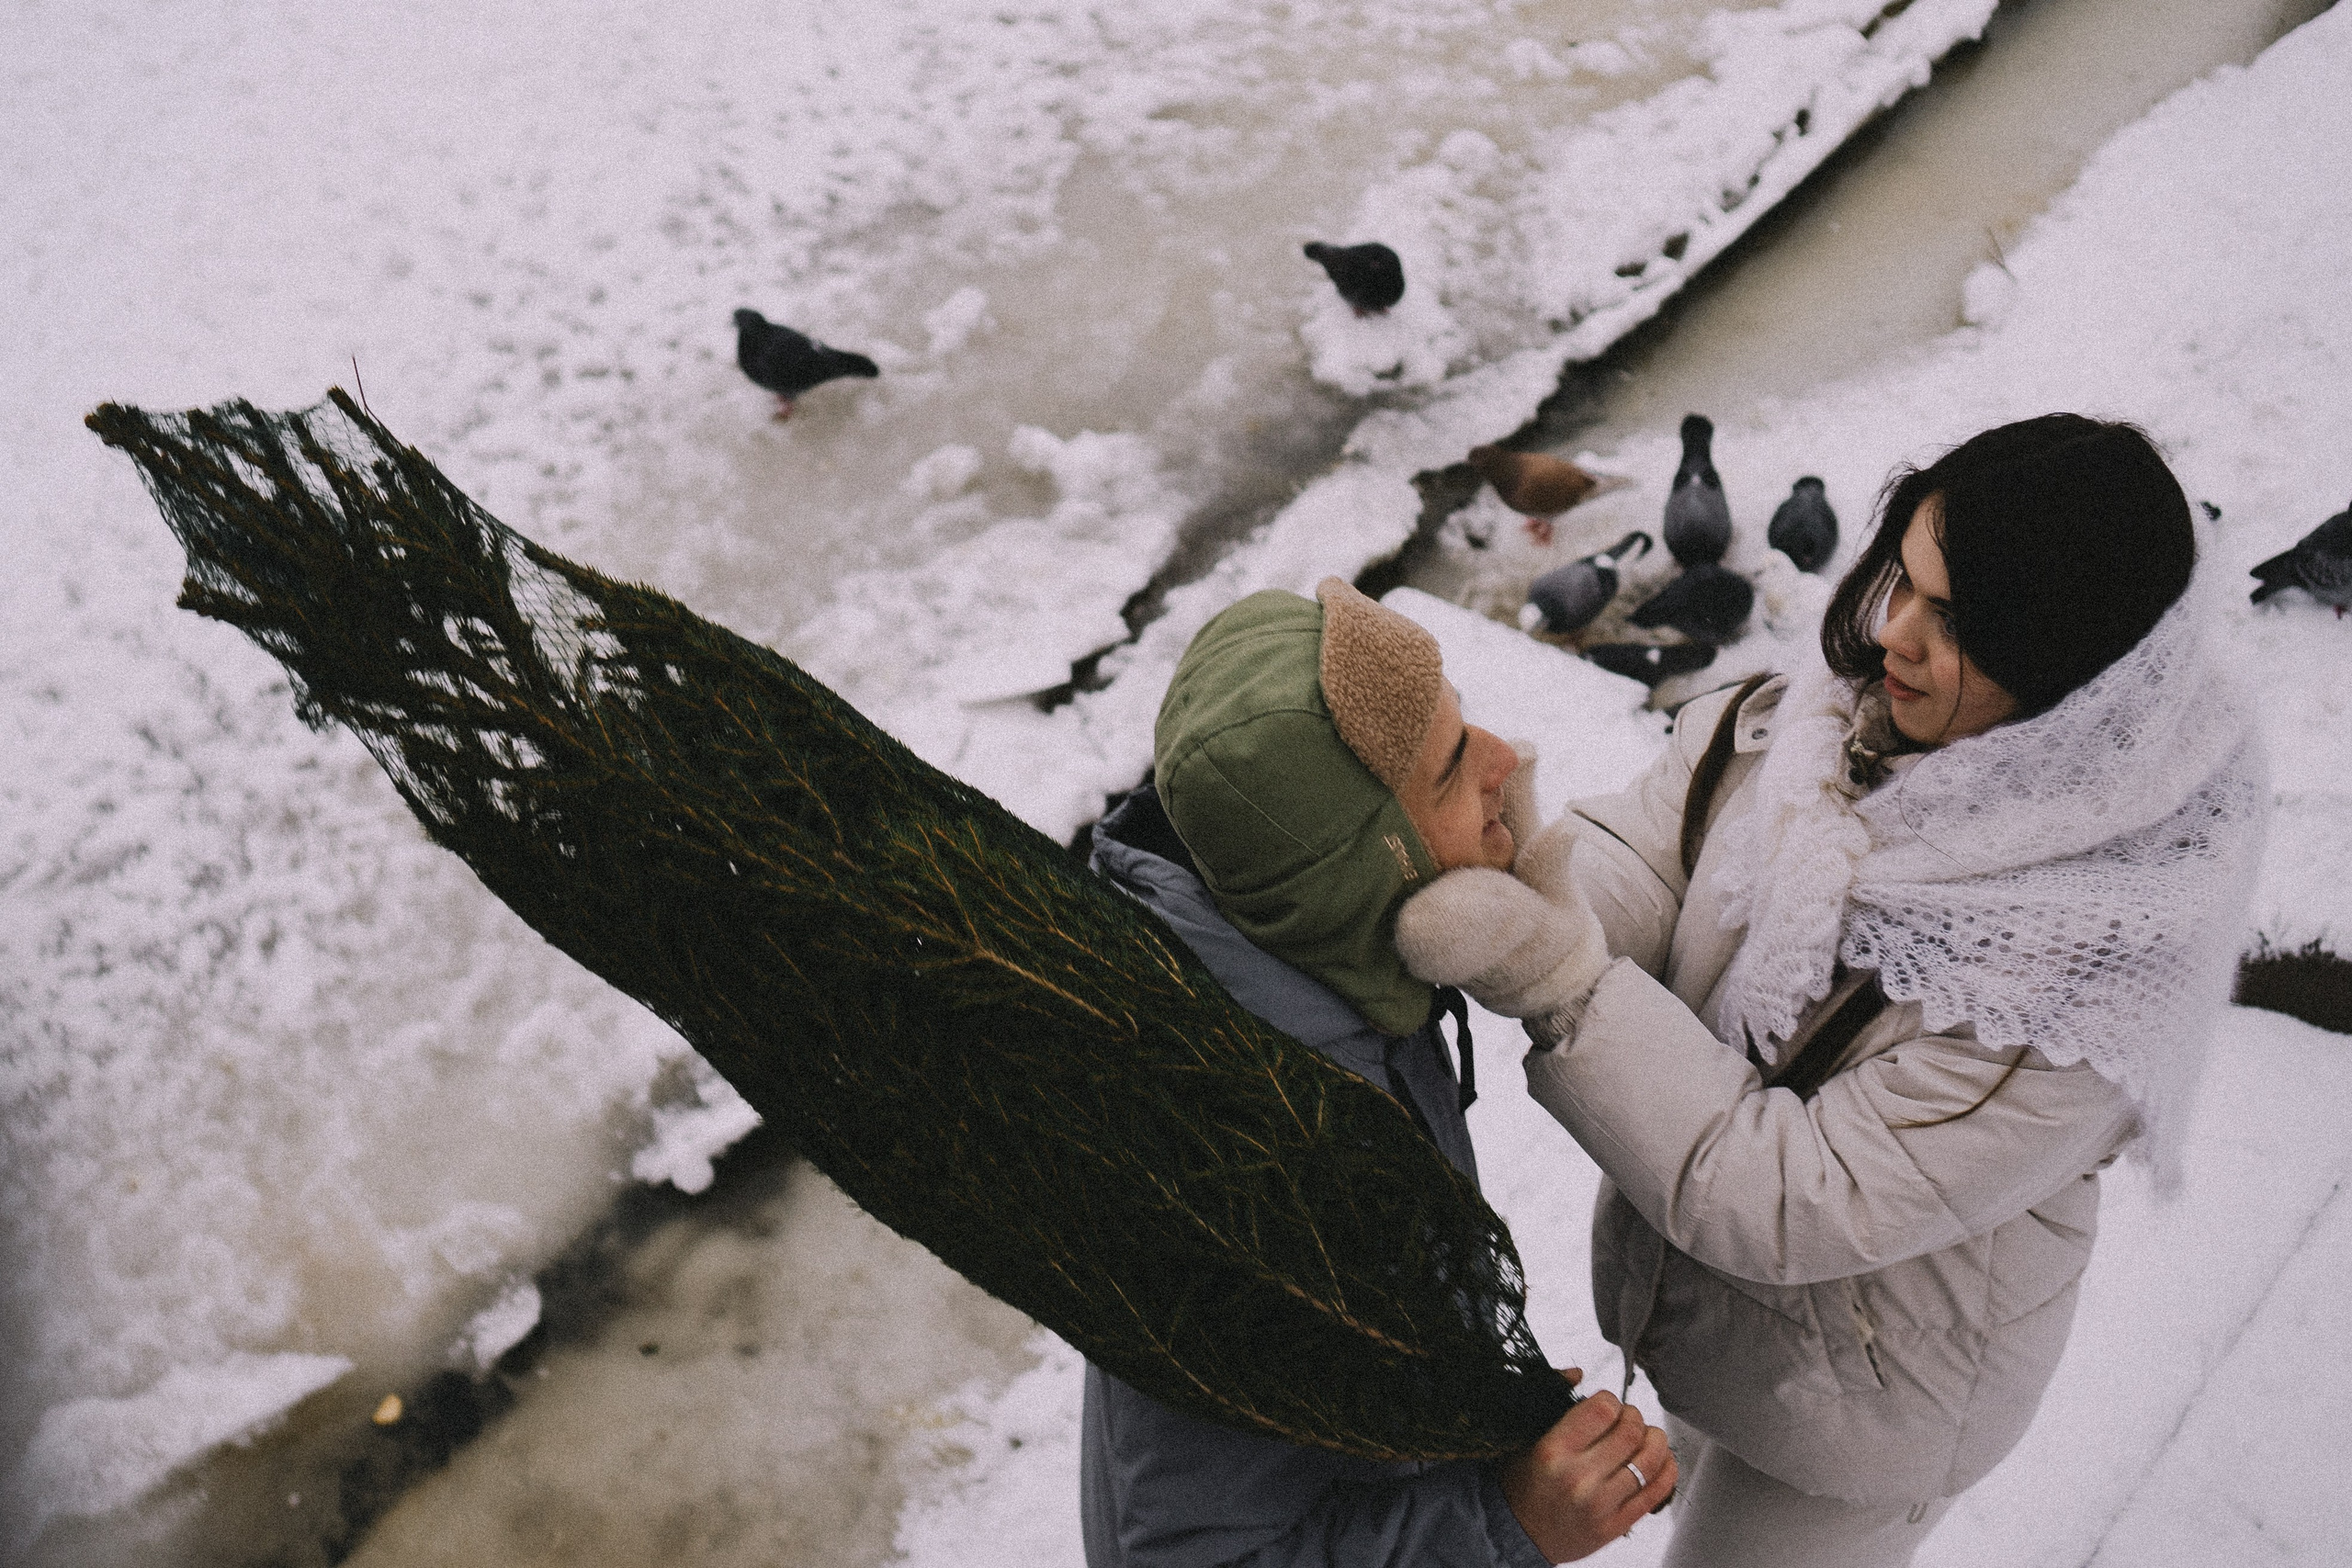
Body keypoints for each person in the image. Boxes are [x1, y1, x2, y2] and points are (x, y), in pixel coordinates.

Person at [1395, 414, 2266, 1568]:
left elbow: (1796, 1196)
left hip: (1868, 1404)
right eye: (1902, 577)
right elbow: (1658, 855)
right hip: (1711, 1317)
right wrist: (1529, 877)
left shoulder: (2073, 987)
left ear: (2066, 662)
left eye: (1954, 619)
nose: (1891, 632)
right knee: (1705, 1446)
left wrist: (1558, 980)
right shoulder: (1807, 727)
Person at [1081, 579, 1679, 1568]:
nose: (1506, 759)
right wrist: (1499, 1522)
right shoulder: (1253, 1171)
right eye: (1451, 769)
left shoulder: (1316, 971)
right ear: (1368, 863)